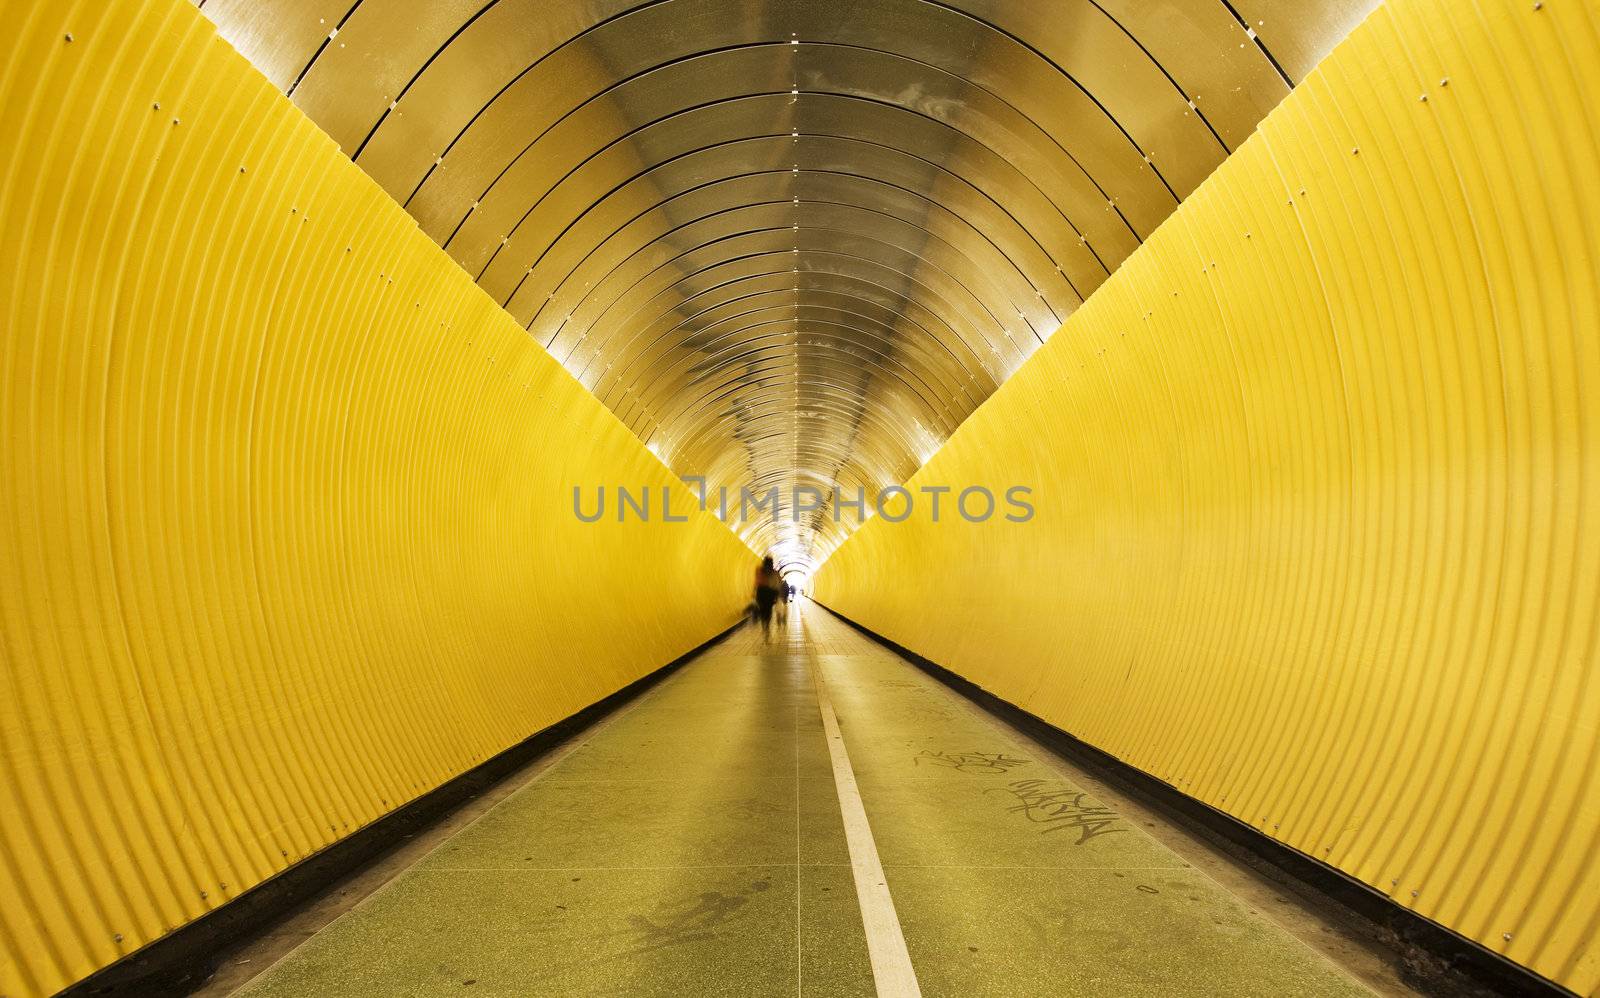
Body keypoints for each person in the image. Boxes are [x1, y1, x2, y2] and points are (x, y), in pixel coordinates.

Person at [752, 555, 783, 642]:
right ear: (771, 563)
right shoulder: (774, 572)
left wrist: (754, 592)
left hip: (761, 593)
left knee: (762, 611)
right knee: (768, 611)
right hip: (770, 594)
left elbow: (756, 582)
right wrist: (776, 595)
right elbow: (777, 584)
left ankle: (764, 626)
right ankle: (767, 626)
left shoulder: (759, 570)